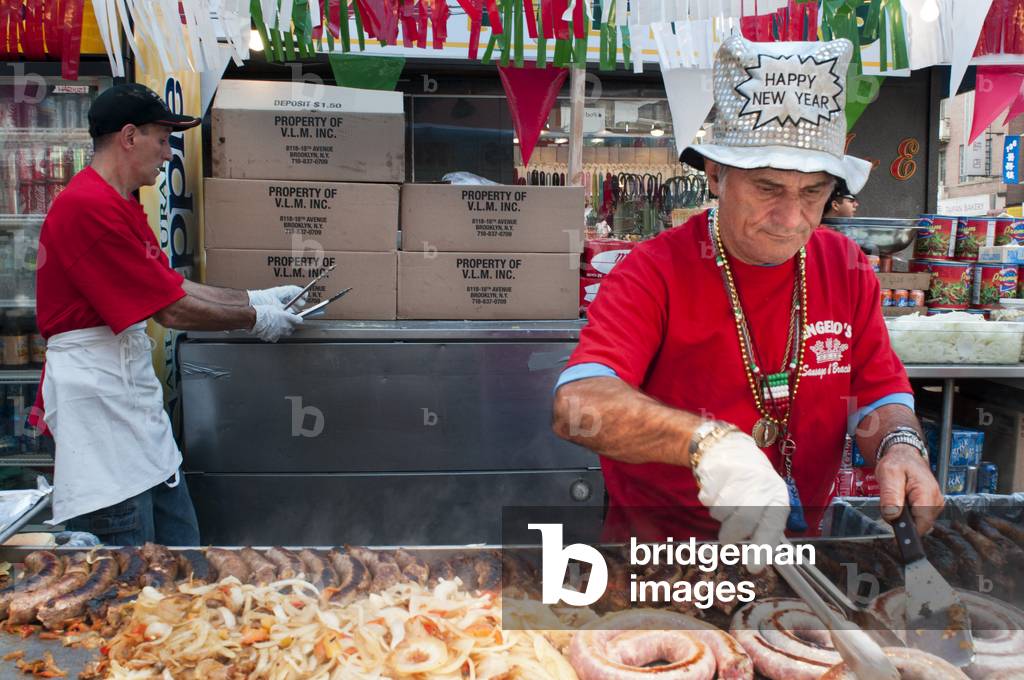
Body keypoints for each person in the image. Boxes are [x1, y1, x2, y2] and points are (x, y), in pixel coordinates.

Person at [552, 36, 943, 550]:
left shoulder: (845, 266)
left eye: (812, 193)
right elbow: (577, 404)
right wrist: (705, 444)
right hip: (661, 557)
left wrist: (901, 445)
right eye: (767, 188)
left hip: (799, 550)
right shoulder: (653, 270)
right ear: (716, 174)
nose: (790, 219)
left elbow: (874, 393)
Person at [30, 83, 307, 546]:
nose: (166, 154)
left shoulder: (122, 204)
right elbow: (172, 310)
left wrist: (255, 298)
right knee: (129, 572)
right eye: (162, 139)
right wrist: (254, 320)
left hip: (128, 396)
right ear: (129, 136)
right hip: (98, 404)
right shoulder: (86, 207)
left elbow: (170, 285)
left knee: (180, 551)